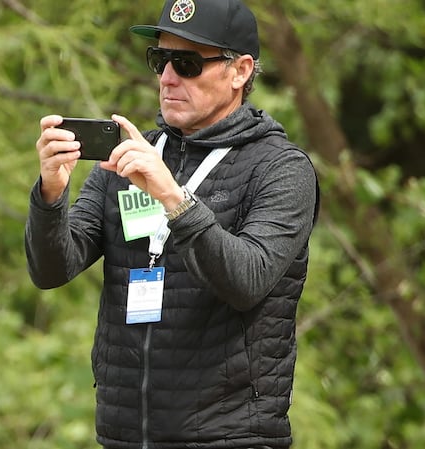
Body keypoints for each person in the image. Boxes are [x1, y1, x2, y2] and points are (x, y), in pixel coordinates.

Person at [25, 0, 319, 447]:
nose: (167, 78)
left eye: (186, 63)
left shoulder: (281, 168)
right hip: (125, 434)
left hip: (231, 436)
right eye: (160, 60)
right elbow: (52, 270)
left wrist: (173, 198)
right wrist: (51, 194)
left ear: (239, 71)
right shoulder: (133, 156)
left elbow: (247, 280)